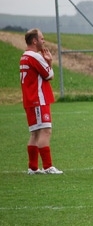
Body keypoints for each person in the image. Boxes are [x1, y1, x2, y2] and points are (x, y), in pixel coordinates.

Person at [20, 28, 63, 175]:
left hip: (30, 99)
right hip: (38, 99)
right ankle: (47, 166)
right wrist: (49, 61)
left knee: (35, 133)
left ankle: (33, 167)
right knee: (45, 131)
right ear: (34, 41)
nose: (43, 41)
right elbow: (49, 75)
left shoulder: (24, 56)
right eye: (42, 38)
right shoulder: (35, 56)